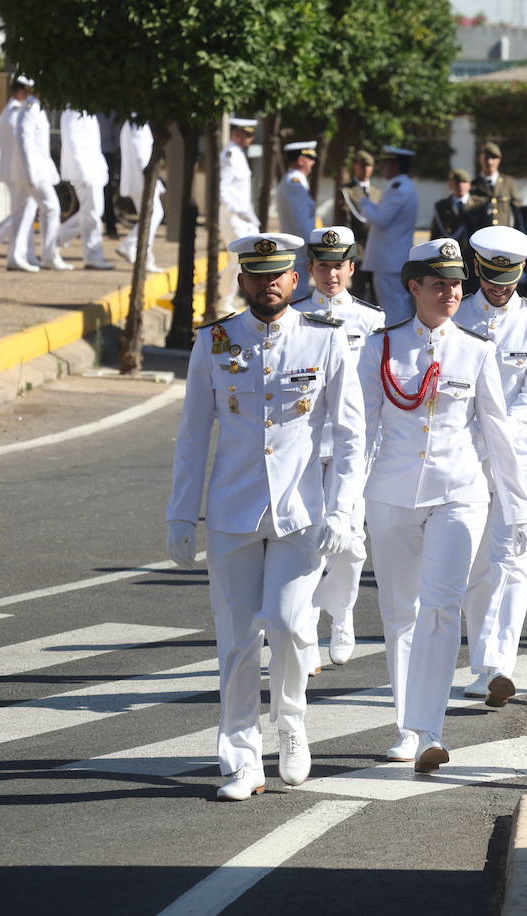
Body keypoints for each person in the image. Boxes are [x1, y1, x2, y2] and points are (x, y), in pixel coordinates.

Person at [166, 232, 366, 800]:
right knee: (236, 637)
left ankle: (293, 723)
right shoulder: (215, 340)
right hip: (232, 510)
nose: (268, 283)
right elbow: (192, 433)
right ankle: (240, 756)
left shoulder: (324, 341)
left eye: (278, 274)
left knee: (286, 623)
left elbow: (351, 435)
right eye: (257, 275)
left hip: (302, 510)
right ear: (242, 282)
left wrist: (345, 508)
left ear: (295, 280)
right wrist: (181, 514)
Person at [358, 238, 527, 771]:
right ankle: (406, 722)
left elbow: (498, 433)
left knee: (440, 608)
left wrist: (519, 505)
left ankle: (427, 728)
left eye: (457, 283)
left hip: (459, 493)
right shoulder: (379, 346)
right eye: (439, 283)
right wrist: (341, 508)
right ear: (414, 287)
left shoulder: (476, 349)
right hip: (390, 494)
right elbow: (358, 433)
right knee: (400, 614)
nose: (452, 291)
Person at [455, 226, 527, 705]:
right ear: (478, 269)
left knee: (513, 558)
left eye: (510, 278)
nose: (501, 288)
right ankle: (482, 662)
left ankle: (501, 664)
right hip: (464, 458)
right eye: (493, 277)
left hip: (518, 458)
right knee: (479, 567)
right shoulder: (454, 315)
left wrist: (498, 434)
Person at [289, 226, 384, 663]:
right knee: (304, 540)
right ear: (310, 269)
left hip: (353, 446)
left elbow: (382, 386)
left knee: (350, 543)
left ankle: (341, 617)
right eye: (323, 266)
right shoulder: (293, 317)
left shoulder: (371, 321)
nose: (331, 274)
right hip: (304, 445)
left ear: (352, 268)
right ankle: (304, 634)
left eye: (339, 266)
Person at [353, 145, 418, 326]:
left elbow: (380, 219)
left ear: (396, 166)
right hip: (391, 259)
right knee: (394, 305)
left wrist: (363, 202)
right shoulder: (401, 186)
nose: (383, 168)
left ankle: (396, 343)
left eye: (387, 164)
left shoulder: (399, 188)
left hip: (389, 261)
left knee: (394, 308)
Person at [14, 89, 67, 271]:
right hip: (33, 170)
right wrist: (30, 172)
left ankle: (17, 255)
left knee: (23, 213)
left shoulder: (36, 108)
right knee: (52, 207)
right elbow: (24, 141)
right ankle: (49, 255)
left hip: (38, 169)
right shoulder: (30, 108)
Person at [57, 107, 115, 270]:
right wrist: (82, 171)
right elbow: (72, 142)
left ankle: (56, 239)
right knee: (92, 213)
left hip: (93, 169)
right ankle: (93, 255)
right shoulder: (72, 111)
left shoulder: (85, 111)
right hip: (84, 171)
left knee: (91, 212)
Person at [0, 76, 35, 269]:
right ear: (21, 92)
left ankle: (24, 253)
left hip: (13, 170)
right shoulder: (16, 112)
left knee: (23, 212)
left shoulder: (10, 110)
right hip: (18, 171)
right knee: (23, 212)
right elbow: (21, 146)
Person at [215, 117, 260, 316]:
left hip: (243, 218)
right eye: (247, 134)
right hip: (232, 217)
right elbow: (222, 189)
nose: (251, 138)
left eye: (251, 134)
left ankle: (228, 298)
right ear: (236, 134)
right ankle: (225, 300)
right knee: (237, 259)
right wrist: (237, 212)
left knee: (239, 260)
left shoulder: (239, 154)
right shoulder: (230, 155)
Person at [118, 117, 166, 275]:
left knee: (150, 216)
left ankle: (146, 258)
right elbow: (141, 156)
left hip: (139, 179)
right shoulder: (135, 122)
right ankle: (131, 246)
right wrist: (150, 178)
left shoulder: (135, 122)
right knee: (154, 215)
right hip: (142, 180)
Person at [334, 149, 378, 301]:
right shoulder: (347, 190)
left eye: (369, 166)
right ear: (356, 167)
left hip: (375, 248)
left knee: (376, 291)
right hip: (357, 247)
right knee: (358, 289)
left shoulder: (377, 193)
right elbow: (343, 221)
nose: (366, 169)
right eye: (362, 165)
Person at [277, 140, 318, 298]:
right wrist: (314, 249)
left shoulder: (292, 180)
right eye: (310, 158)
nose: (313, 163)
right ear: (301, 160)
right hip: (299, 252)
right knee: (297, 298)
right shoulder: (295, 183)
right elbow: (302, 223)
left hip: (296, 251)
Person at [468, 141, 520, 229]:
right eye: (486, 158)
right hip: (481, 236)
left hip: (502, 234)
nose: (490, 162)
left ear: (499, 160)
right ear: (480, 159)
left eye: (494, 158)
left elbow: (518, 211)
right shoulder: (473, 185)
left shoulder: (508, 183)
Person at [430, 168, 473, 241]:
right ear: (450, 185)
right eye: (457, 182)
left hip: (472, 250)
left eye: (464, 182)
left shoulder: (479, 205)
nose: (460, 185)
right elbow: (435, 234)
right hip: (449, 250)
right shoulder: (441, 206)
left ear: (470, 185)